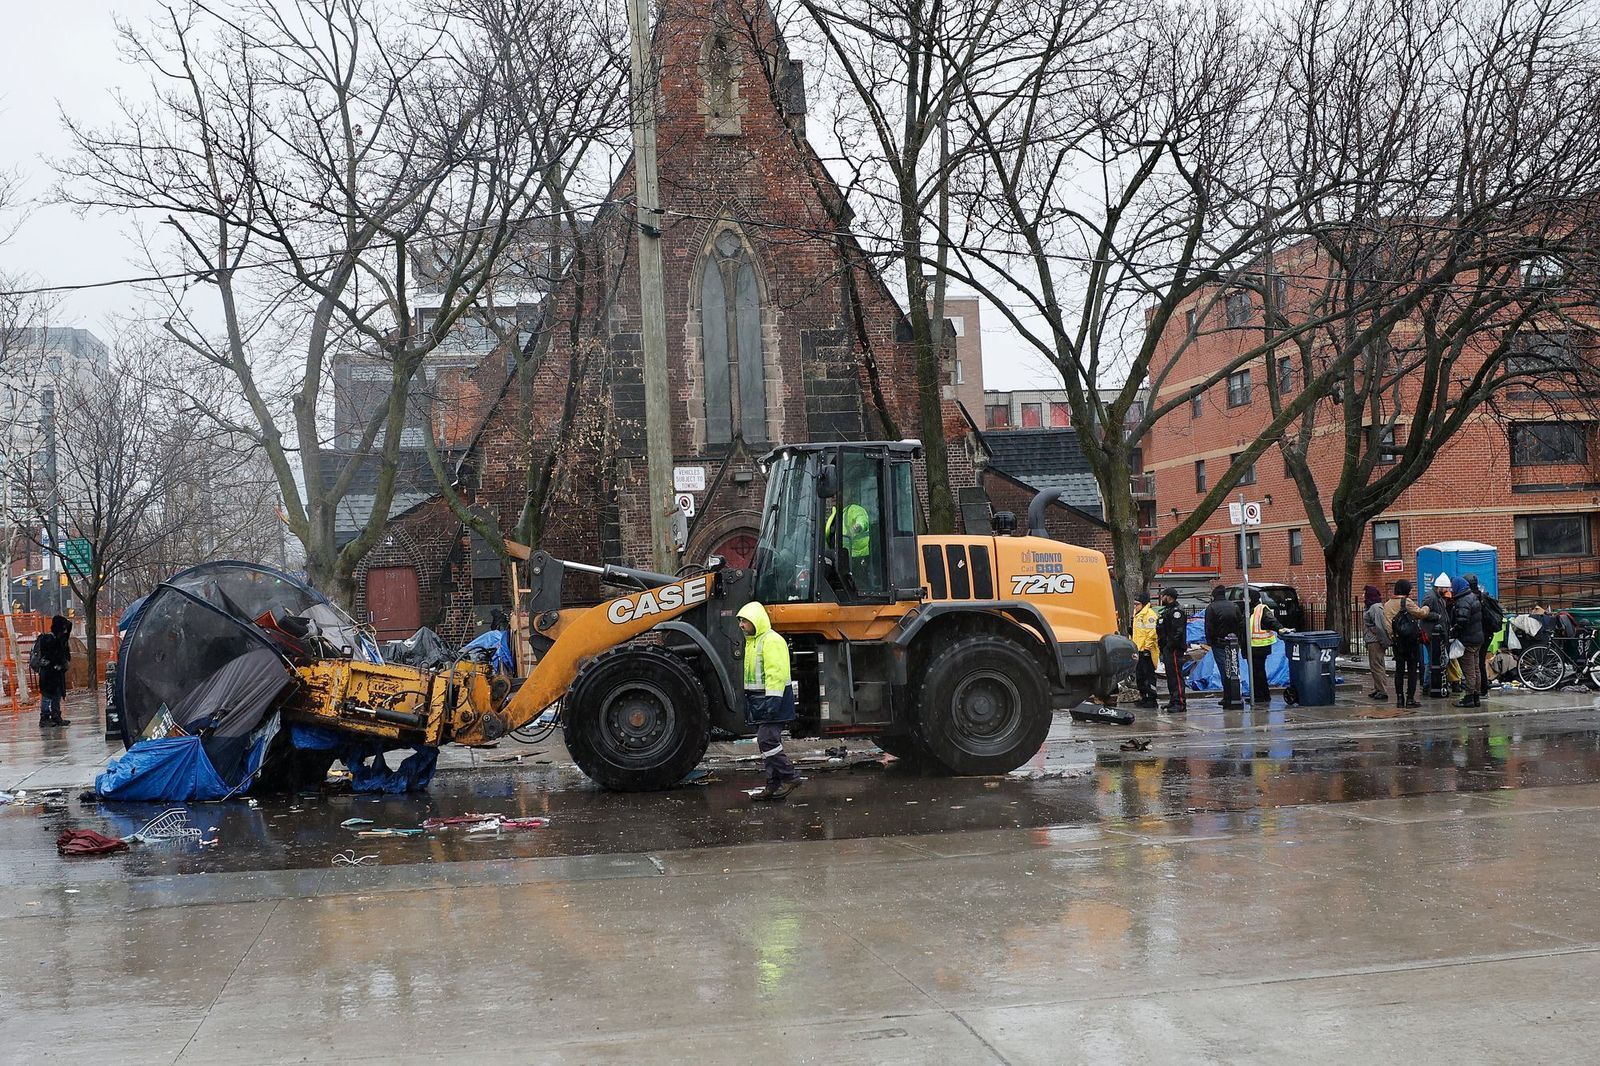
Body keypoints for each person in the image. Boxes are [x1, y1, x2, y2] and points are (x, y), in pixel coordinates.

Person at [738, 601, 801, 800]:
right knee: (769, 743)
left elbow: (776, 673)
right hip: (764, 702)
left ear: (755, 621)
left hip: (774, 701)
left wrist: (772, 702)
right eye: (739, 621)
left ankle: (790, 776)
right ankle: (773, 785)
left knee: (767, 740)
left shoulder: (770, 641)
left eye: (744, 621)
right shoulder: (754, 642)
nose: (740, 625)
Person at [1383, 579, 1429, 708]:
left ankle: (1399, 699)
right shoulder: (1406, 602)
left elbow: (1387, 625)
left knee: (1399, 670)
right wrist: (1427, 607)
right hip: (1411, 641)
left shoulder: (1387, 605)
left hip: (1397, 642)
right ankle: (1410, 698)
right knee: (1412, 670)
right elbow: (1421, 613)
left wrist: (1393, 637)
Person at [1203, 586, 1244, 709]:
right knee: (1234, 668)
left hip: (1219, 643)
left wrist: (1210, 641)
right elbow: (1240, 623)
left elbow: (1208, 626)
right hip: (1233, 642)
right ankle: (1235, 695)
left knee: (1224, 669)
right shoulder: (1234, 606)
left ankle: (1228, 696)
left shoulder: (1211, 608)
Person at [1465, 575, 1504, 693]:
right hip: (1488, 633)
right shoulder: (1484, 596)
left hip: (1481, 633)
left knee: (1477, 662)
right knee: (1480, 661)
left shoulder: (1473, 598)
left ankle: (1481, 688)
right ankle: (1482, 687)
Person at [33, 614, 73, 728]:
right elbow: (51, 655)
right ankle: (44, 718)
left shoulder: (60, 639)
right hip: (48, 672)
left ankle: (56, 716)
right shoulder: (48, 639)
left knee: (57, 694)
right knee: (47, 695)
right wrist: (59, 662)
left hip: (56, 672)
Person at [1452, 577, 1485, 708]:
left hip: (1468, 640)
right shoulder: (1473, 597)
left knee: (1469, 671)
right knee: (1476, 670)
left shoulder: (1463, 600)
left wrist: (1454, 630)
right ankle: (1476, 696)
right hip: (1477, 639)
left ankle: (1469, 697)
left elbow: (1462, 620)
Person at [1156, 589, 1189, 713]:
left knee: (1176, 675)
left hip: (1174, 649)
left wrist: (1170, 645)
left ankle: (1180, 702)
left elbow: (1177, 632)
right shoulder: (1167, 611)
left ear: (1169, 597)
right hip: (1167, 648)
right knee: (1171, 676)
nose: (1162, 598)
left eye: (1163, 596)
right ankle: (1173, 700)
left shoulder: (1176, 612)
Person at [1421, 573, 1453, 698]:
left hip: (1436, 634)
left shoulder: (1437, 596)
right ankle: (1427, 684)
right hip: (1431, 635)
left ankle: (1430, 683)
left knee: (1438, 660)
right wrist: (1437, 616)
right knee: (1434, 661)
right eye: (1446, 589)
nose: (1447, 591)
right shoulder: (1431, 597)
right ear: (1440, 587)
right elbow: (1424, 613)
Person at [1246, 592, 1280, 706]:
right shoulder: (1250, 609)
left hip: (1259, 646)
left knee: (1257, 672)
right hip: (1254, 646)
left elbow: (1271, 621)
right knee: (1258, 671)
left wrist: (1280, 629)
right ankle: (1262, 695)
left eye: (1246, 597)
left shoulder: (1261, 609)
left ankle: (1260, 696)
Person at [1361, 585, 1391, 702]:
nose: (1363, 595)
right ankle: (1377, 688)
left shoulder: (1376, 608)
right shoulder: (1371, 606)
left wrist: (1384, 642)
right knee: (1375, 666)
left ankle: (1382, 690)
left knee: (1377, 666)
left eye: (1365, 593)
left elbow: (1380, 626)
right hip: (1372, 639)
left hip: (1375, 640)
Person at [1131, 592, 1160, 709]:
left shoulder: (1149, 615)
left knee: (1149, 675)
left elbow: (1152, 634)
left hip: (1146, 650)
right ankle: (1144, 697)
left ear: (1143, 604)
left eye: (1137, 604)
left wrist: (1147, 648)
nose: (1135, 606)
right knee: (1140, 676)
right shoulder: (1138, 614)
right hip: (1138, 649)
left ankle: (1152, 699)